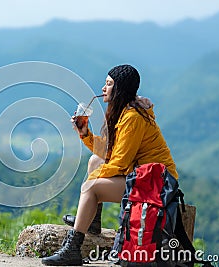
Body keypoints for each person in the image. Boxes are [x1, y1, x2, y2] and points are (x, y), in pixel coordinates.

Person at [41, 64, 178, 266]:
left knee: (91, 187)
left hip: (158, 185)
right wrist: (85, 133)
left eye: (109, 84)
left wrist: (91, 183)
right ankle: (93, 222)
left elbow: (120, 163)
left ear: (120, 89)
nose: (103, 88)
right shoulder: (124, 112)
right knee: (95, 161)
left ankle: (72, 249)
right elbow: (108, 152)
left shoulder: (132, 118)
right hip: (144, 177)